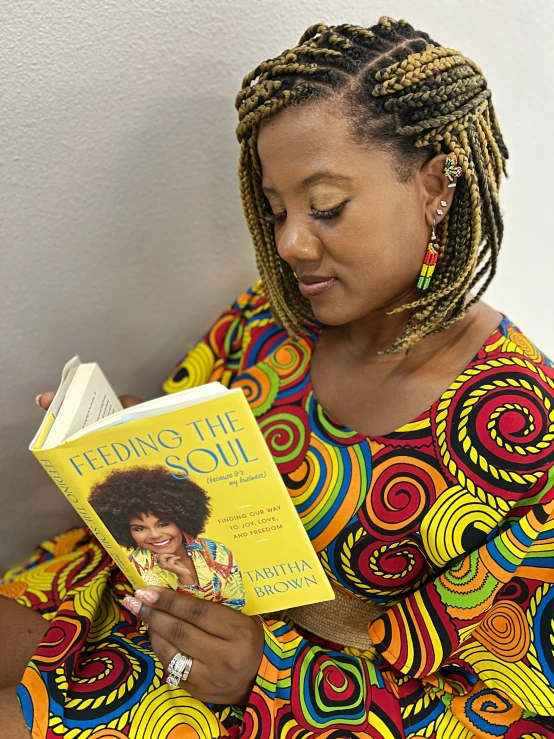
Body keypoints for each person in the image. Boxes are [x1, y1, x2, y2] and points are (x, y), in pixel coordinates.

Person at [1, 14, 554, 739]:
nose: (290, 243)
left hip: (277, 704)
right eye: (276, 209)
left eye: (325, 206)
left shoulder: (520, 429)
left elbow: (504, 709)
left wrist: (262, 673)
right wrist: (130, 444)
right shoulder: (272, 319)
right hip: (131, 605)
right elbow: (184, 477)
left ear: (434, 184)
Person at [87, 465, 246, 609]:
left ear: (180, 520)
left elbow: (237, 604)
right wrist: (185, 579)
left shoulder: (216, 552)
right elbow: (174, 620)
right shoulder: (135, 570)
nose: (155, 535)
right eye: (139, 528)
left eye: (163, 523)